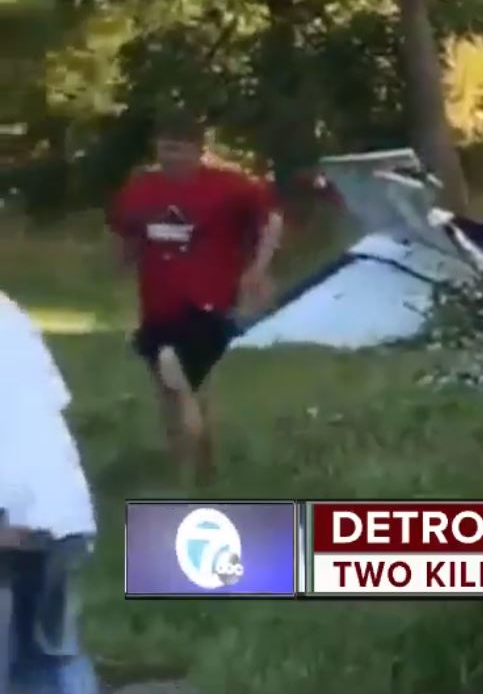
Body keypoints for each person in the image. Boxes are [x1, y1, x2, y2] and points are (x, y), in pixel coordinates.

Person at [107, 112, 283, 484]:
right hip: (156, 302)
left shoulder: (229, 186)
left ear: (198, 150)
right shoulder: (142, 188)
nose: (172, 158)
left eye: (180, 150)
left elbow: (272, 220)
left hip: (208, 302)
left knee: (180, 377)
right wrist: (118, 271)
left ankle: (194, 467)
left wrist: (257, 269)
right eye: (165, 149)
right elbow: (127, 235)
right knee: (172, 390)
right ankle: (191, 465)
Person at [1, 290, 101, 694]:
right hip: (61, 506)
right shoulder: (7, 311)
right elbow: (50, 399)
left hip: (11, 512)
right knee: (54, 655)